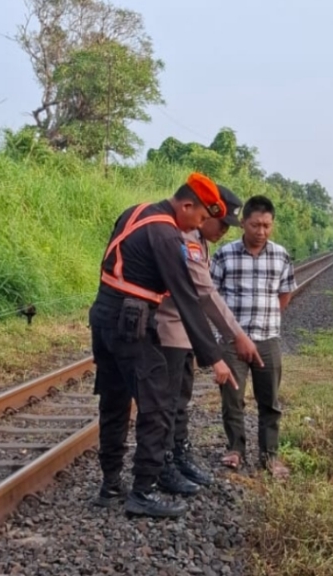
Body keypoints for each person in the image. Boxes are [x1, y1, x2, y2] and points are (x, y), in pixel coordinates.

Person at [88, 172, 238, 518]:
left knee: (113, 402)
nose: (199, 225)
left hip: (103, 315)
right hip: (132, 323)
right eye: (200, 217)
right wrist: (214, 358)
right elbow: (187, 299)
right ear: (186, 205)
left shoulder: (134, 211)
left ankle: (110, 486)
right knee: (156, 406)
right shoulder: (168, 235)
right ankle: (143, 491)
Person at [154, 184, 263, 495]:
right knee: (169, 402)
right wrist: (237, 335)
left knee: (180, 402)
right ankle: (165, 465)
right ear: (206, 212)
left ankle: (178, 457)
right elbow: (205, 294)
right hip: (169, 329)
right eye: (223, 223)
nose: (225, 231)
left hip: (185, 332)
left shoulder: (200, 239)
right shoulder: (186, 238)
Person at [210, 194, 297, 478]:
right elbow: (211, 297)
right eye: (255, 225)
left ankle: (269, 455)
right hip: (233, 340)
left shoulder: (281, 255)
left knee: (269, 400)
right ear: (243, 223)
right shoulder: (225, 255)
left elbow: (285, 293)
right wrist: (224, 336)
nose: (261, 232)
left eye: (267, 226)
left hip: (268, 338)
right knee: (232, 398)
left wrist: (267, 320)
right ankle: (235, 449)